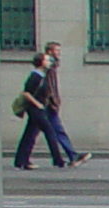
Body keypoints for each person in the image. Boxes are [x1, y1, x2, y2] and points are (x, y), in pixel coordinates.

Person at [12, 42, 88, 170]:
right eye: (56, 51)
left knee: (30, 134)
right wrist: (43, 104)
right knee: (51, 132)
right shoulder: (37, 75)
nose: (58, 54)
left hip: (42, 107)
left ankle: (21, 160)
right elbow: (28, 92)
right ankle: (60, 159)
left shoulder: (46, 71)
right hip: (40, 108)